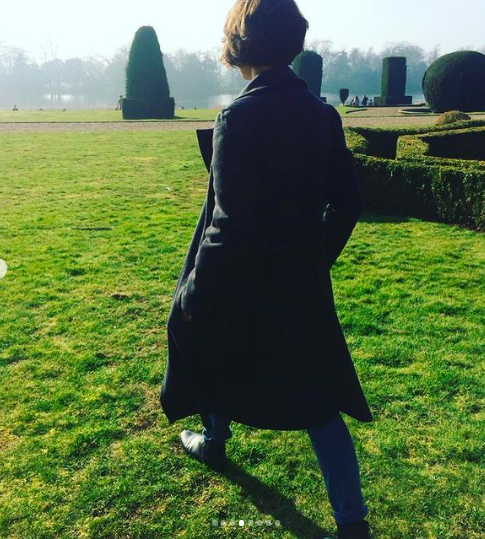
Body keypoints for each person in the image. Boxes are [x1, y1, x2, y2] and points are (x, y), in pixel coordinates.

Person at [160, 1, 373, 538]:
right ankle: (352, 522)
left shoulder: (238, 116)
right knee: (319, 396)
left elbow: (228, 224)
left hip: (242, 279)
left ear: (240, 44)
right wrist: (312, 259)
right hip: (299, 282)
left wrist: (194, 294)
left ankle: (214, 442)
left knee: (203, 338)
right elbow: (348, 204)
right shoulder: (322, 114)